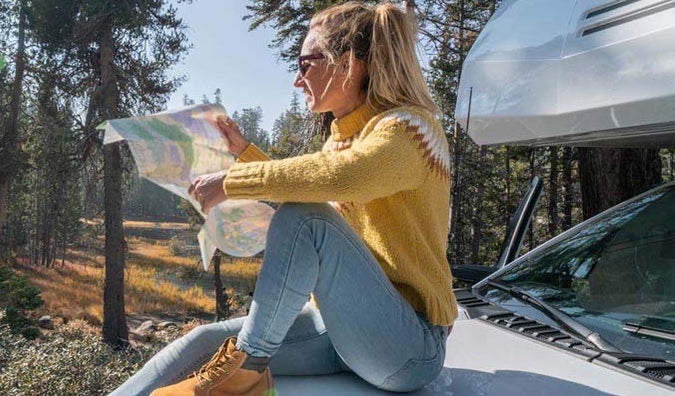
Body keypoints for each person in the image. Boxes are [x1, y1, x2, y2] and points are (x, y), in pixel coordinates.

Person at [109, 2, 456, 395]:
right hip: (346, 334)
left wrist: (233, 180)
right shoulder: (344, 138)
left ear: (348, 64)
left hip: (408, 348)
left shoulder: (411, 129)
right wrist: (245, 153)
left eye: (305, 63)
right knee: (203, 342)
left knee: (304, 218)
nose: (297, 79)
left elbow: (344, 180)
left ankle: (247, 375)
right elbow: (318, 194)